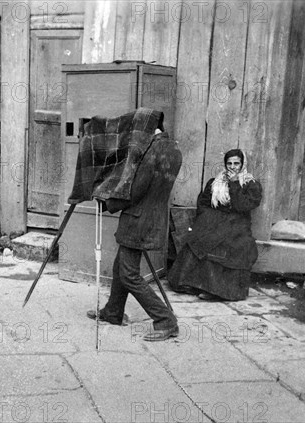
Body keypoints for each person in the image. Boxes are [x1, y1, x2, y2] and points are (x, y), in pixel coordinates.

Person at [87, 127, 182, 342]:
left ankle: (166, 320)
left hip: (138, 220)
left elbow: (135, 190)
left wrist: (107, 202)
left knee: (129, 274)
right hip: (149, 218)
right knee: (120, 267)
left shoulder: (151, 151)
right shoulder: (171, 148)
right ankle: (113, 312)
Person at [168, 149, 262, 301]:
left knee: (228, 243)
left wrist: (234, 184)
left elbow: (242, 206)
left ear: (242, 164)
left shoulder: (251, 185)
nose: (232, 167)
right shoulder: (215, 182)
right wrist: (207, 218)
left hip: (237, 223)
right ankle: (192, 284)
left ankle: (218, 291)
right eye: (229, 163)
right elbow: (203, 203)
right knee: (199, 237)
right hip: (214, 220)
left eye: (236, 163)